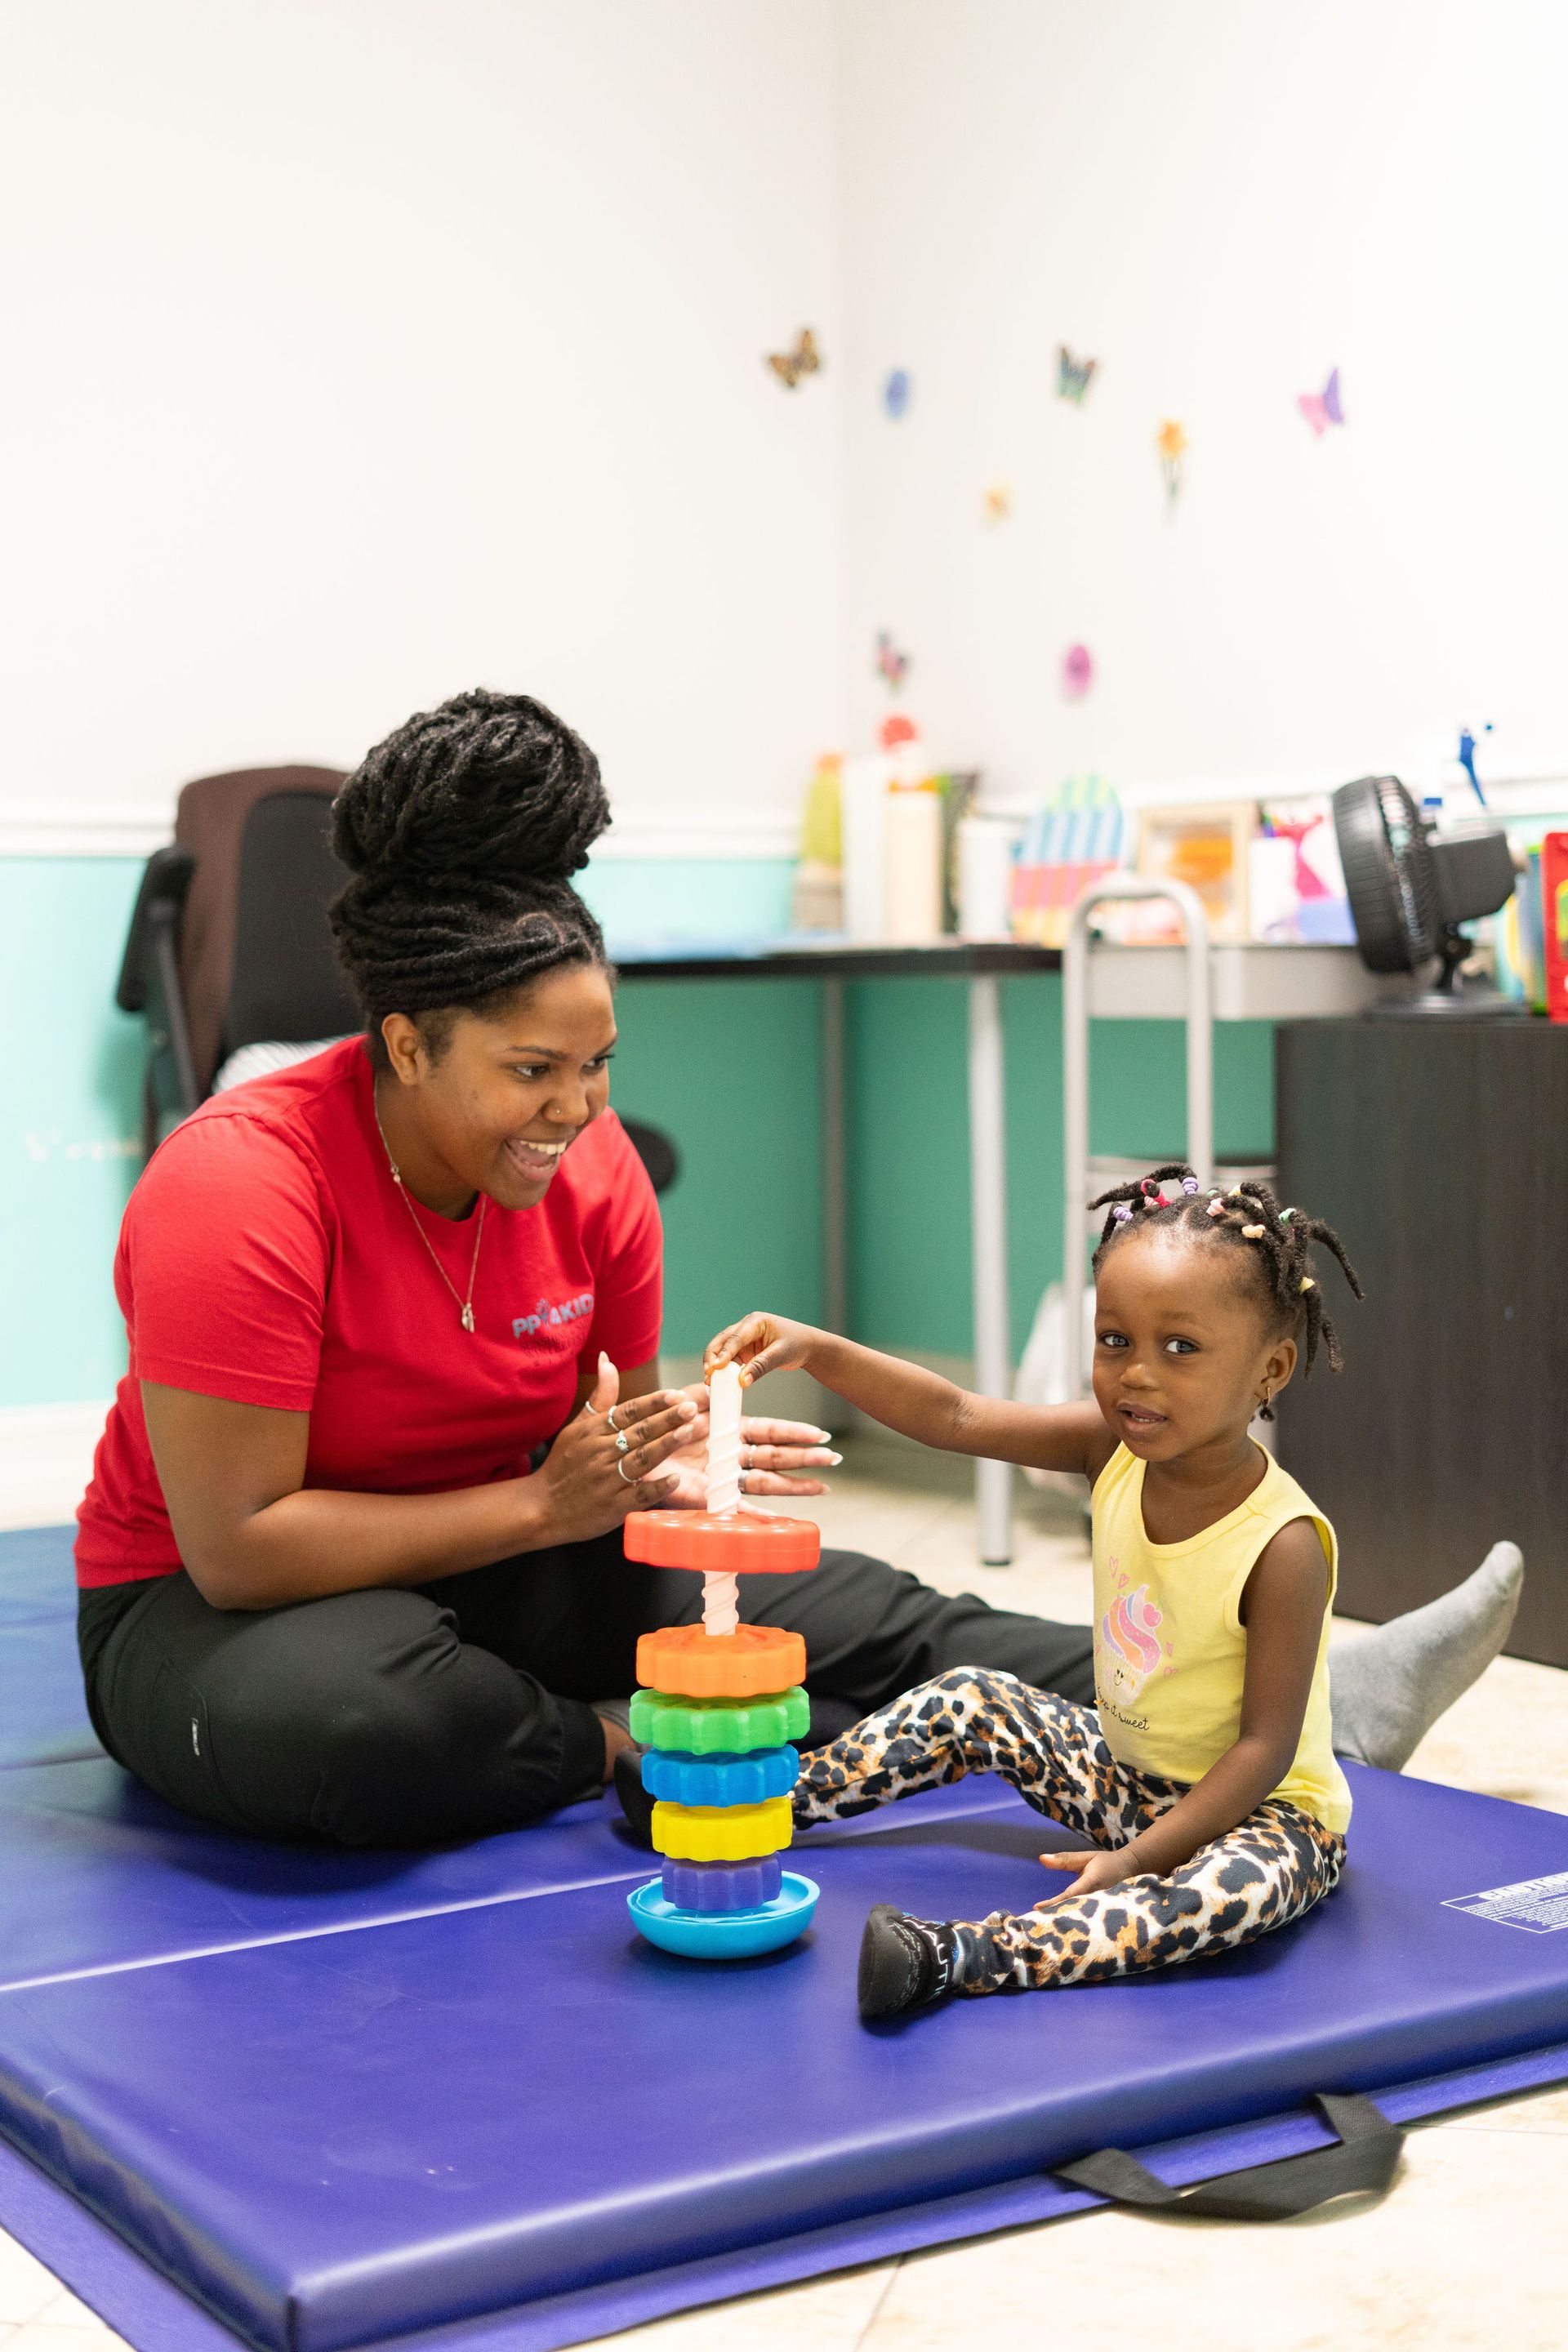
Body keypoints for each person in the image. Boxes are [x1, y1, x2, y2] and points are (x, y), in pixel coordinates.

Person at [77, 688, 1519, 1850]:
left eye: (597, 1069)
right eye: (532, 1072)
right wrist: (538, 1504)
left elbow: (609, 1463)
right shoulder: (242, 1183)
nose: (577, 1114)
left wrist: (670, 1472)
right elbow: (239, 1546)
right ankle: (623, 1743)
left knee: (865, 1608)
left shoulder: (595, 1176)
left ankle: (1321, 1688)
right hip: (226, 1612)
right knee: (359, 1728)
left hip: (504, 1555)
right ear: (405, 1044)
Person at [703, 1165, 1522, 2021]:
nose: (1136, 1374)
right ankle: (753, 1805)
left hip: (1268, 1818)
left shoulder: (1282, 1544)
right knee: (969, 1697)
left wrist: (1139, 1861)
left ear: (1270, 1369)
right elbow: (956, 1416)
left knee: (1216, 1898)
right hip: (1126, 1778)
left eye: (1181, 1348)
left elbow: (1263, 1752)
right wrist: (821, 1351)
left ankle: (959, 1957)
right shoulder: (1111, 1448)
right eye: (1114, 1341)